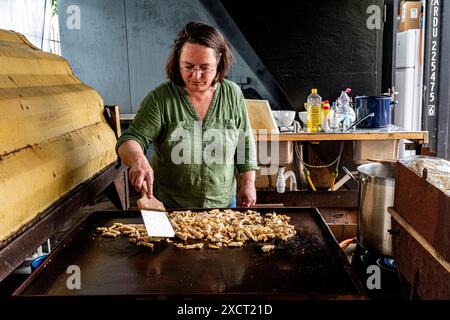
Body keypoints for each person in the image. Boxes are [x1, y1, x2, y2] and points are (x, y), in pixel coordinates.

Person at [116, 21, 259, 209]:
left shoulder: (232, 94)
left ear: (218, 61)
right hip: (172, 207)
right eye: (188, 66)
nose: (196, 76)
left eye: (205, 67)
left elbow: (244, 141)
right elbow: (130, 139)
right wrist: (138, 160)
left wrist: (248, 183)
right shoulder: (161, 98)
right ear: (178, 62)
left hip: (225, 205)